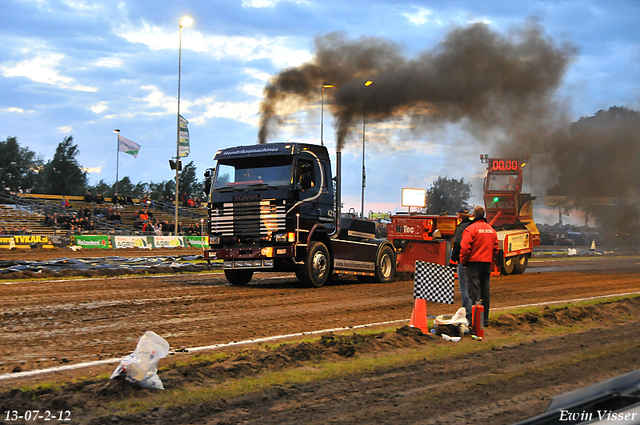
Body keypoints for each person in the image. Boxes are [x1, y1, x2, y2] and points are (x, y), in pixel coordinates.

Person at [460, 206, 499, 327]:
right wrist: (489, 259)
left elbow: (465, 248)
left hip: (473, 264)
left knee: (474, 293)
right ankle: (485, 319)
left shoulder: (470, 229)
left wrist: (464, 261)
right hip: (486, 264)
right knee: (485, 292)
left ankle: (475, 321)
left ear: (474, 215)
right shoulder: (491, 230)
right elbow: (496, 248)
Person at [451, 207, 473, 324]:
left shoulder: (460, 228)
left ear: (459, 216)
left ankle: (468, 314)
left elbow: (457, 243)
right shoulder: (473, 226)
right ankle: (476, 312)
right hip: (475, 261)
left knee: (464, 287)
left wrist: (453, 258)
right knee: (473, 287)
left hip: (463, 260)